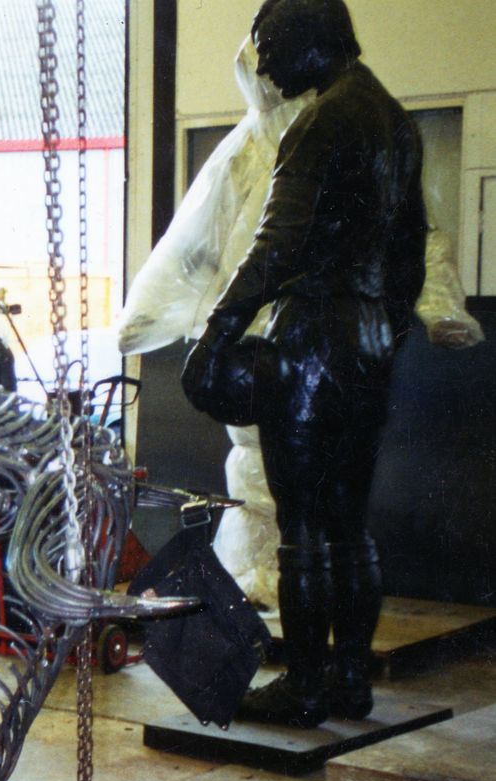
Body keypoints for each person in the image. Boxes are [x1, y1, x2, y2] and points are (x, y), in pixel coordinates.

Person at [183, 0, 427, 727]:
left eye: (268, 44)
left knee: (304, 529)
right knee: (349, 525)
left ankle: (307, 686)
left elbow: (276, 244)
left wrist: (216, 333)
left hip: (314, 335)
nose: (262, 62)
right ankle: (350, 679)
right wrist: (381, 332)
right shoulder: (394, 122)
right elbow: (409, 254)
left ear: (310, 39)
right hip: (368, 336)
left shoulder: (321, 122)